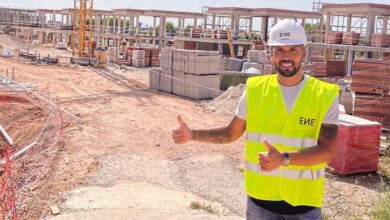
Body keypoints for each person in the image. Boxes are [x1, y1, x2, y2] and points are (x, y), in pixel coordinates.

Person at [171, 19, 339, 220]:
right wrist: (193, 135)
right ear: (271, 54)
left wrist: (285, 159)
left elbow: (327, 152)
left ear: (304, 52)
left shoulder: (324, 95)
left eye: (293, 50)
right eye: (279, 50)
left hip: (303, 206)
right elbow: (230, 133)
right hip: (261, 203)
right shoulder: (254, 90)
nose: (286, 56)